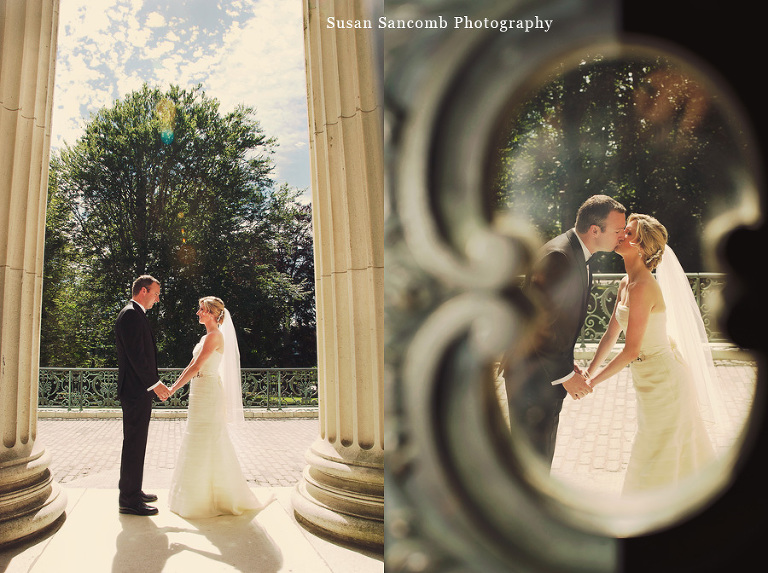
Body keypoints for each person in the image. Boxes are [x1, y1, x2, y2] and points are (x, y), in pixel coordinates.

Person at [584, 214, 717, 493]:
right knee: (658, 446)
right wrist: (588, 372)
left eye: (628, 233)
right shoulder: (625, 283)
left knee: (656, 449)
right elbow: (610, 335)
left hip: (665, 381)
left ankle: (652, 509)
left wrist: (592, 385)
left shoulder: (643, 286)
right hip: (647, 380)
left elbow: (631, 350)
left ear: (641, 247)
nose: (620, 235)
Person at [501, 195, 627, 464]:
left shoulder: (576, 252)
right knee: (532, 461)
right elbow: (537, 322)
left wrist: (570, 366)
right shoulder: (559, 256)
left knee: (539, 456)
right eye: (617, 230)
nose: (622, 235)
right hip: (531, 377)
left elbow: (557, 322)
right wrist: (565, 375)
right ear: (595, 230)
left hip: (542, 374)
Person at [167, 296, 265, 518]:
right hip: (198, 391)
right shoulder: (205, 336)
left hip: (208, 392)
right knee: (196, 438)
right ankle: (196, 494)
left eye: (201, 309)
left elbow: (197, 366)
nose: (197, 313)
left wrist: (173, 389)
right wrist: (176, 386)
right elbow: (192, 365)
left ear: (211, 313)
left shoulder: (215, 337)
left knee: (209, 438)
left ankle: (216, 496)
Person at [115, 275, 171, 516]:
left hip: (138, 390)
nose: (157, 299)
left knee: (136, 443)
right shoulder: (130, 314)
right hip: (136, 390)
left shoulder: (135, 313)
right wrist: (155, 384)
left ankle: (132, 491)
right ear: (144, 291)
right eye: (156, 293)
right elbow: (137, 356)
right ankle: (128, 499)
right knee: (134, 444)